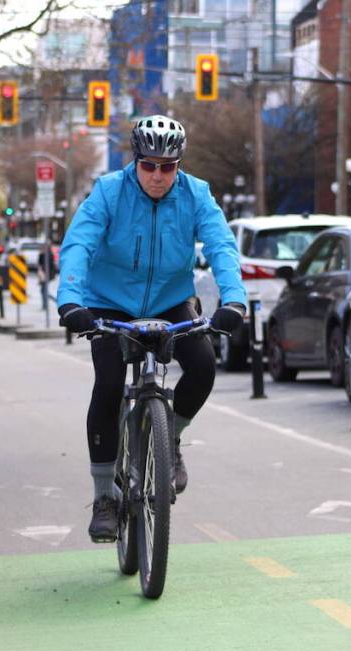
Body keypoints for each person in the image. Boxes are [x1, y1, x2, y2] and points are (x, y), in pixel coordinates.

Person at [57, 114, 247, 543]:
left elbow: (221, 246)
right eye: (150, 165)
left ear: (178, 165)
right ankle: (105, 497)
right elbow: (79, 245)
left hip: (171, 299)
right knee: (107, 385)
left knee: (202, 365)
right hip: (109, 302)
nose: (159, 176)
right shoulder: (109, 191)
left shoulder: (196, 194)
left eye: (168, 167)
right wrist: (70, 300)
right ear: (136, 161)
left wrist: (234, 300)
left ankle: (171, 438)